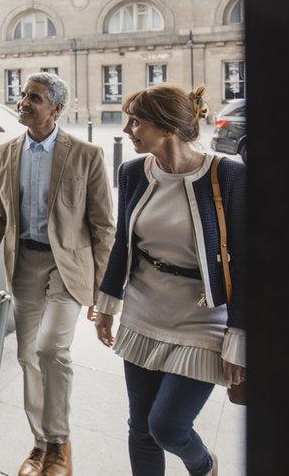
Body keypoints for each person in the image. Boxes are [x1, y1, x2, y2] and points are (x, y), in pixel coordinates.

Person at [93, 85, 246, 476]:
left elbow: (248, 261)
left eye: (136, 121)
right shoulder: (132, 173)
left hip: (203, 319)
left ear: (167, 127)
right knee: (140, 428)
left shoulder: (226, 175)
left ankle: (203, 464)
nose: (128, 129)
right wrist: (108, 305)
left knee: (168, 426)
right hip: (144, 311)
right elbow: (122, 245)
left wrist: (240, 335)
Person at [0, 72, 115, 476]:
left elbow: (103, 227)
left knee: (52, 349)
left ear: (56, 109)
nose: (24, 102)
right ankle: (40, 446)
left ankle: (61, 444)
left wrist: (104, 294)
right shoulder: (4, 152)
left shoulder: (85, 154)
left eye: (34, 98)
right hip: (24, 265)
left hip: (68, 266)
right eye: (23, 95)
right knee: (27, 356)